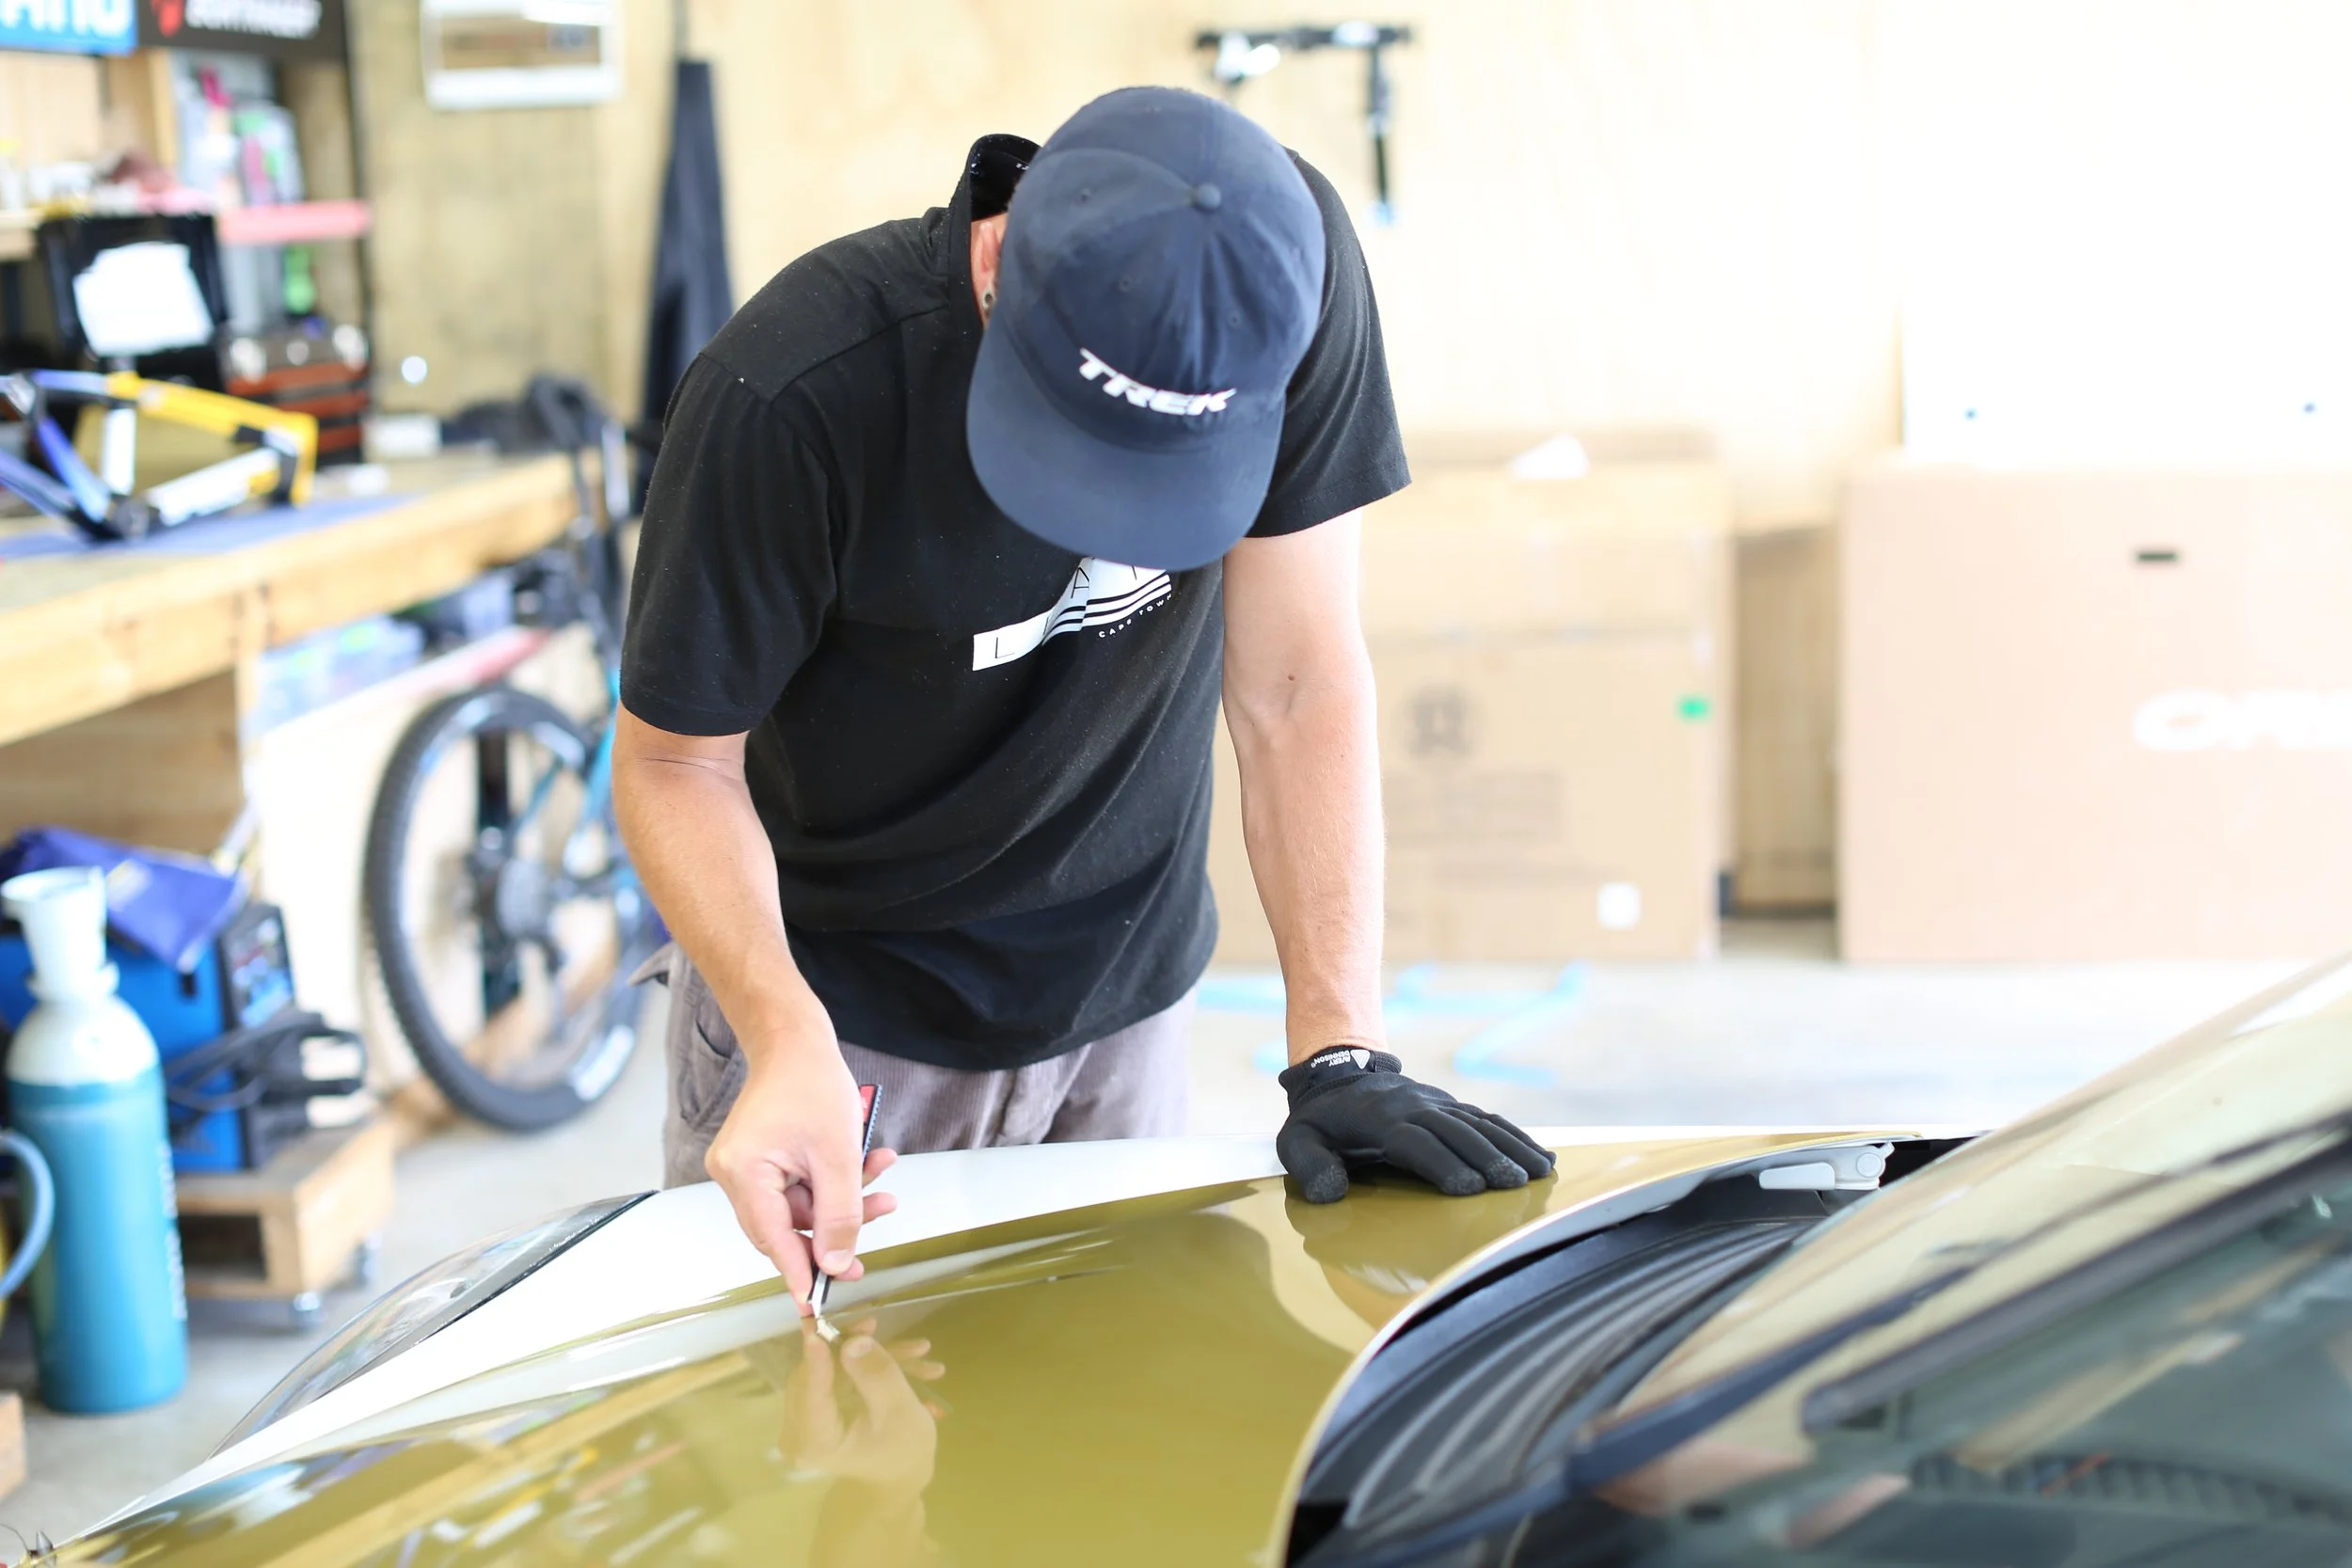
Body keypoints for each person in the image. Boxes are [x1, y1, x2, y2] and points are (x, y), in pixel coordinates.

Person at [612, 86, 1554, 1309]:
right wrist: (784, 1035)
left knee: (1106, 1397)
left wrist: (1339, 1047)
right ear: (997, 258)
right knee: (803, 1411)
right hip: (841, 1012)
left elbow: (1296, 681)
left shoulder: (1281, 282)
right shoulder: (793, 393)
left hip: (1127, 995)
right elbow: (677, 762)